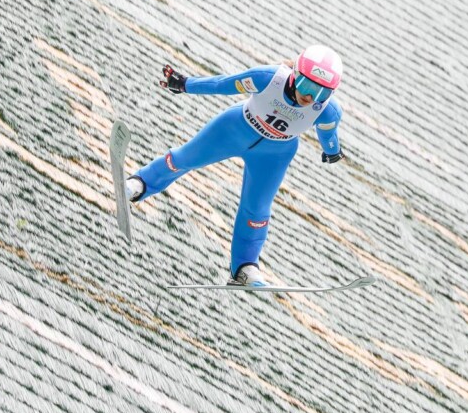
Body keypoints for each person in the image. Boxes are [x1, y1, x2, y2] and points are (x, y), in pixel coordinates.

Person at [125, 45, 345, 287]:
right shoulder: (268, 78)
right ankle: (141, 183)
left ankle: (244, 266)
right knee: (183, 159)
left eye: (322, 93)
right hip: (233, 129)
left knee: (257, 209)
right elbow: (223, 84)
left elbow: (328, 134)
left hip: (274, 155)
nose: (311, 98)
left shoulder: (328, 111)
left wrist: (332, 152)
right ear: (294, 74)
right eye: (307, 86)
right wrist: (185, 84)